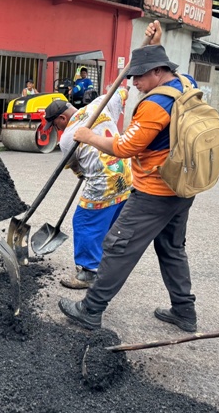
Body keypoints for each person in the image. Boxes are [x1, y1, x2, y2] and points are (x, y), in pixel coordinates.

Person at [58, 36, 201, 333]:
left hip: (155, 190)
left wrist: (90, 138)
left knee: (117, 246)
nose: (134, 81)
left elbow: (125, 147)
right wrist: (153, 46)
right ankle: (184, 312)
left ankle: (90, 310)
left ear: (158, 72)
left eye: (139, 75)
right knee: (172, 248)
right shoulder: (185, 84)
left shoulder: (155, 104)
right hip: (183, 186)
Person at [43, 88, 132, 289]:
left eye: (54, 124)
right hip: (126, 176)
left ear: (62, 119)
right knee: (108, 223)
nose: (56, 129)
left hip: (103, 183)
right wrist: (122, 91)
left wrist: (84, 174)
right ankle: (108, 265)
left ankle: (88, 273)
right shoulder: (100, 104)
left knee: (84, 222)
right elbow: (121, 93)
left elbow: (76, 167)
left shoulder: (68, 138)